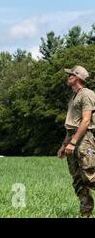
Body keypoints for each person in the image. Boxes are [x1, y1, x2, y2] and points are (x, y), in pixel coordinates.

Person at [58, 66, 95, 217]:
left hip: (85, 139)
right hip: (73, 138)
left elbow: (85, 121)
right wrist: (64, 145)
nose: (68, 77)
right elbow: (72, 125)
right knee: (78, 180)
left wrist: (73, 143)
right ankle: (85, 214)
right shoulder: (73, 98)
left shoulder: (87, 94)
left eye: (71, 75)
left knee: (90, 176)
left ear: (78, 77)